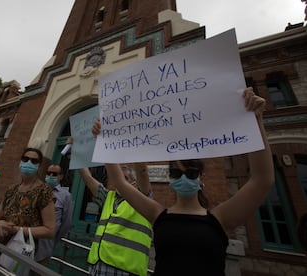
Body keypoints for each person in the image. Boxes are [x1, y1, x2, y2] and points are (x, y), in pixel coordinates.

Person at [93, 88, 275, 275]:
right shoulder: (157, 214)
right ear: (170, 178)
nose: (183, 177)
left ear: (201, 178)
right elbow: (120, 183)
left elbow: (262, 179)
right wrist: (104, 140)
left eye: (190, 172)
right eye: (176, 173)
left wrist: (255, 121)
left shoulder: (220, 218)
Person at [78, 161, 153, 276]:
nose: (120, 182)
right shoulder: (108, 197)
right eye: (118, 178)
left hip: (124, 270)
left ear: (134, 182)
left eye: (125, 178)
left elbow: (142, 173)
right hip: (97, 267)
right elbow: (87, 177)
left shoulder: (143, 199)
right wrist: (76, 151)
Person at [0, 147, 55, 262]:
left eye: (34, 161)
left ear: (39, 165)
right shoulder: (11, 189)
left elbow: (49, 230)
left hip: (20, 252)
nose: (29, 163)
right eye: (25, 159)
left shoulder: (44, 191)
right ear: (20, 161)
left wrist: (14, 230)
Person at [34, 164, 73, 266]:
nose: (51, 175)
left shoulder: (66, 196)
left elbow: (66, 223)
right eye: (48, 173)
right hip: (29, 240)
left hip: (45, 245)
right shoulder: (37, 190)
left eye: (54, 174)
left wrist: (54, 239)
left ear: (61, 176)